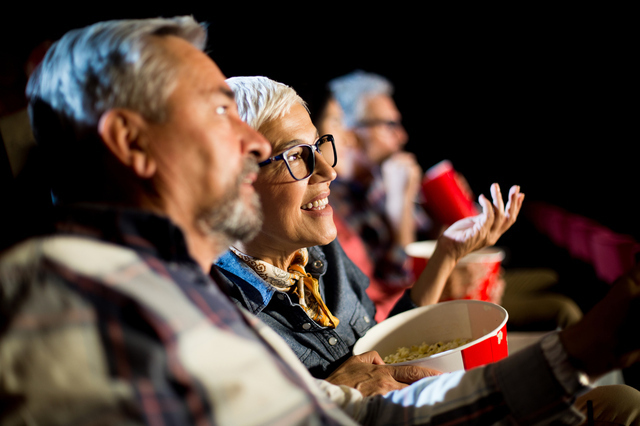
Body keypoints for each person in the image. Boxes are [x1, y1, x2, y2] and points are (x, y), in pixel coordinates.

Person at [1, 17, 639, 426]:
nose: (250, 147)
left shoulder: (180, 288)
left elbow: (367, 415)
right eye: (218, 113)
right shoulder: (69, 305)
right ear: (133, 145)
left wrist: (589, 347)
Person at [213, 75, 640, 424]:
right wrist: (329, 399)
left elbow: (382, 349)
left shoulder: (318, 252)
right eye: (297, 157)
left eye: (320, 148)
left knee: (618, 399)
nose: (330, 169)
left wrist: (446, 255)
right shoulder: (223, 316)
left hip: (421, 404)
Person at [327, 70, 584, 331]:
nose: (401, 137)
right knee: (563, 309)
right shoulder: (338, 201)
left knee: (558, 277)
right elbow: (402, 279)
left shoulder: (381, 182)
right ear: (352, 132)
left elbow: (437, 245)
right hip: (425, 307)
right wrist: (400, 207)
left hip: (453, 281)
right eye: (389, 125)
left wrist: (448, 210)